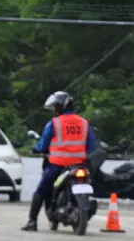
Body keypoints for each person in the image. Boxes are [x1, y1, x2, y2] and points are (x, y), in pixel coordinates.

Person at [22, 90, 96, 231]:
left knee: (41, 190)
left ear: (61, 106)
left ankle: (32, 221)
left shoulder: (54, 123)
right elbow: (91, 145)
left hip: (58, 165)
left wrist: (37, 150)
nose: (54, 110)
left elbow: (43, 144)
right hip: (80, 163)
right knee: (89, 181)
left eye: (55, 106)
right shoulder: (84, 123)